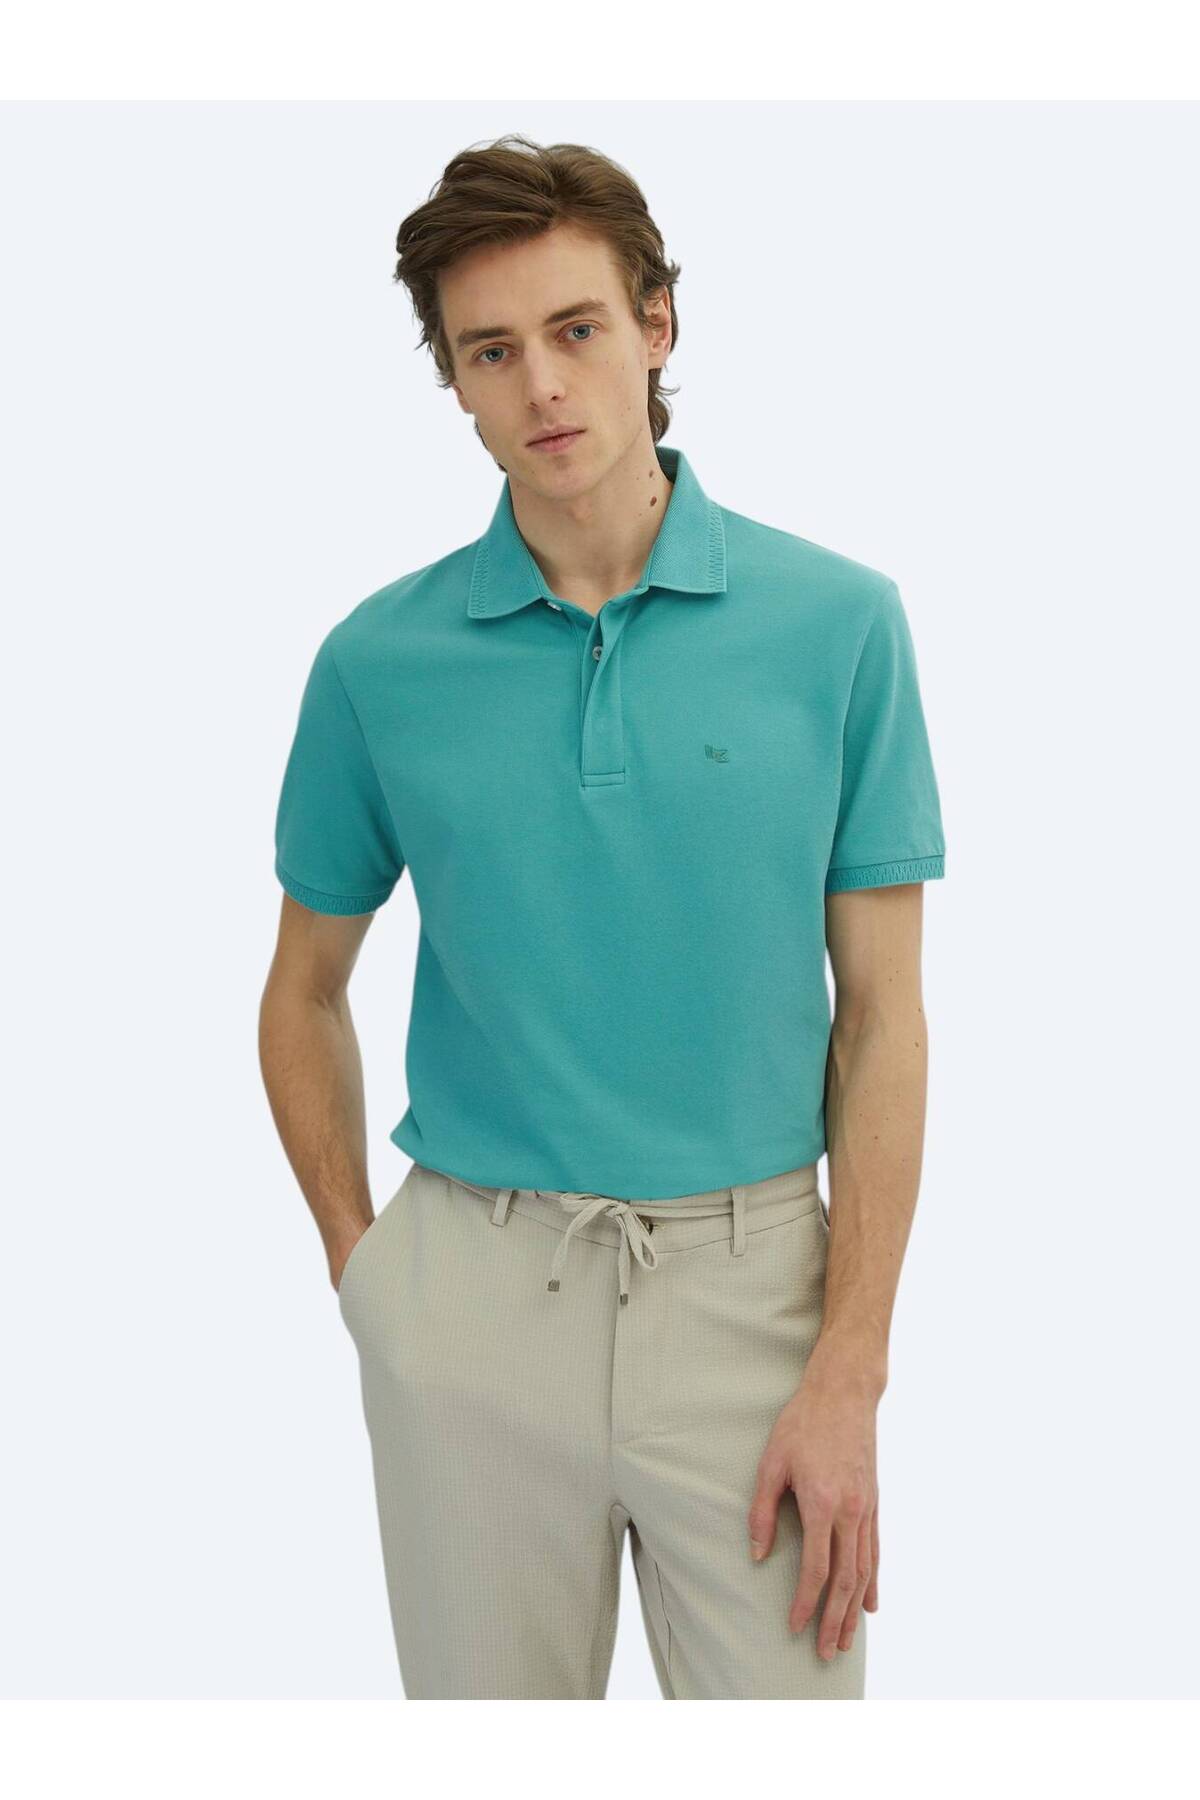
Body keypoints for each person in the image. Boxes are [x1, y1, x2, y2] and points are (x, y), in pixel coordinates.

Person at [259, 133, 946, 1701]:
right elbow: (301, 989)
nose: (543, 386)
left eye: (575, 329)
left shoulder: (840, 628)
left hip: (757, 1294)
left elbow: (884, 1020)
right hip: (473, 1298)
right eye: (490, 351)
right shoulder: (377, 663)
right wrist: (368, 1274)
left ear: (656, 324)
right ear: (454, 380)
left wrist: (851, 1366)